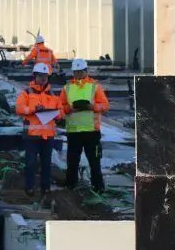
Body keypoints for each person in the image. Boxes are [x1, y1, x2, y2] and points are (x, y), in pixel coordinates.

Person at [60, 58, 110, 192]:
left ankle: (98, 188)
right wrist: (70, 108)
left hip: (91, 131)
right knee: (72, 162)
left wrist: (92, 106)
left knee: (94, 162)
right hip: (74, 131)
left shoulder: (95, 87)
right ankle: (70, 186)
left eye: (80, 72)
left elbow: (105, 106)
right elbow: (60, 107)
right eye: (76, 72)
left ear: (86, 71)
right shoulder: (67, 88)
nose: (78, 74)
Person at [16, 63, 61, 200]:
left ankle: (45, 189)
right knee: (30, 163)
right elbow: (19, 109)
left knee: (46, 164)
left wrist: (57, 114)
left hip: (47, 136)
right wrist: (33, 110)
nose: (43, 79)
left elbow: (60, 112)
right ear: (35, 76)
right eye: (40, 76)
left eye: (45, 76)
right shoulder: (27, 93)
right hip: (32, 136)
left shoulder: (53, 95)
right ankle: (29, 187)